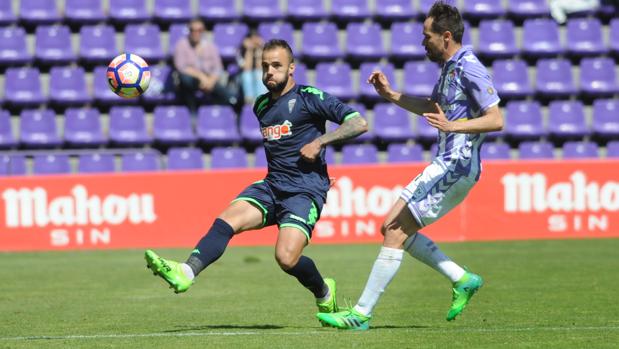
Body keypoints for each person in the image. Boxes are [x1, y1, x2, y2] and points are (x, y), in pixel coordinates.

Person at [145, 39, 368, 318]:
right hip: (272, 186)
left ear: (291, 68)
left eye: (276, 66)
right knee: (227, 219)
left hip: (303, 192)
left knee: (286, 258)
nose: (269, 72)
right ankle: (186, 271)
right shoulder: (261, 105)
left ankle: (324, 291)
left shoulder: (310, 97)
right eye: (265, 66)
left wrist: (321, 142)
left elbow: (359, 122)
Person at [317, 1, 504, 330]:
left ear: (446, 36)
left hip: (455, 164)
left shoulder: (469, 66)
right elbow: (432, 106)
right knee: (390, 228)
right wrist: (390, 94)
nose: (423, 42)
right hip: (445, 162)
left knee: (394, 230)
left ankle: (360, 314)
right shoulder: (450, 67)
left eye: (427, 36)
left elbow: (496, 119)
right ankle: (461, 278)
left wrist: (454, 127)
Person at [173, 18, 237, 113]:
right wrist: (201, 76)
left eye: (199, 30)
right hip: (190, 81)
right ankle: (192, 113)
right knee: (186, 80)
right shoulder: (181, 45)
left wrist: (210, 81)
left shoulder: (210, 46)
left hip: (209, 80)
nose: (196, 33)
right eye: (192, 30)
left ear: (203, 31)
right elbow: (181, 67)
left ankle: (229, 109)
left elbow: (218, 67)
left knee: (226, 96)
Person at [238, 30, 268, 104]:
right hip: (242, 79)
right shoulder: (240, 51)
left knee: (259, 73)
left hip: (259, 76)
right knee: (247, 75)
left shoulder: (264, 50)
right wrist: (249, 49)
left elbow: (260, 67)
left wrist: (259, 48)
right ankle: (249, 101)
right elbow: (246, 68)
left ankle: (260, 100)